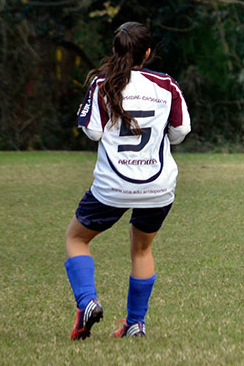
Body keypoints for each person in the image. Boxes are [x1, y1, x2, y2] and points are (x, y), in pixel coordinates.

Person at [64, 21, 191, 340]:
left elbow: (91, 131)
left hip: (112, 186)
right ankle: (135, 323)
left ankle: (87, 302)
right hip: (158, 186)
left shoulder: (103, 84)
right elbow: (180, 133)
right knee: (142, 251)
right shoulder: (167, 85)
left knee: (77, 239)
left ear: (114, 50)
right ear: (147, 53)